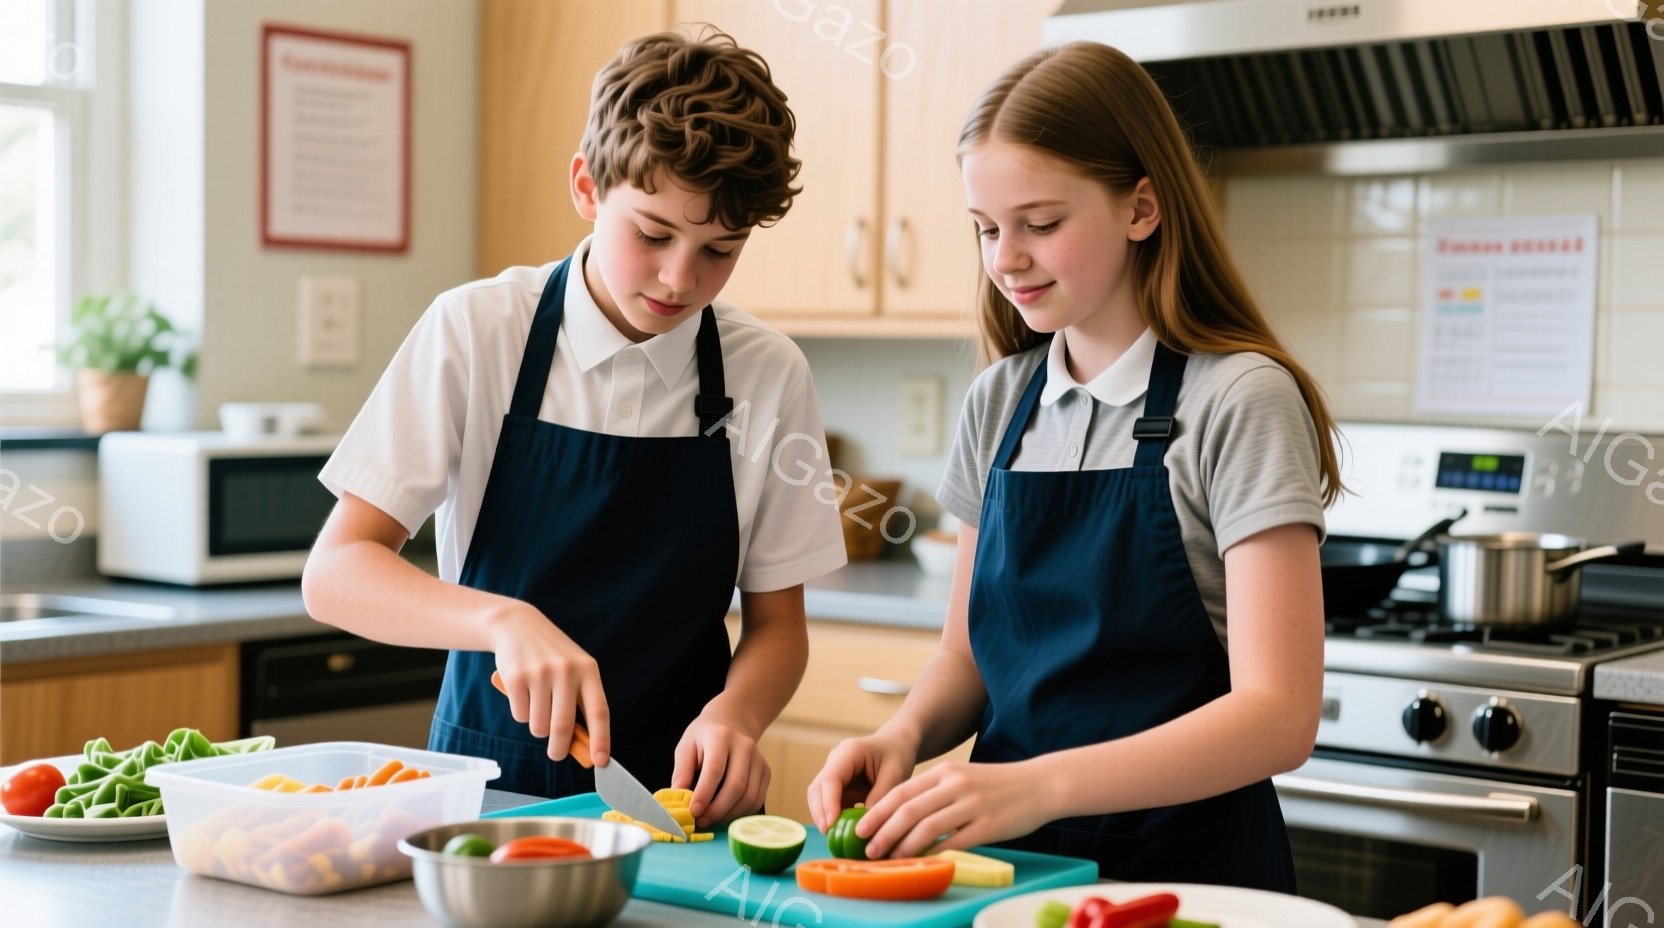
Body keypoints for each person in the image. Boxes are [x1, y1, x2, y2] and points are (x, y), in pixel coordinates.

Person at [806, 41, 1342, 891]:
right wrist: (900, 738)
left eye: (1041, 224)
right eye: (986, 229)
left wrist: (1037, 785)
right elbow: (968, 659)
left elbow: (1279, 718)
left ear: (1142, 207)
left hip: (1185, 880)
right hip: (1005, 871)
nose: (1005, 258)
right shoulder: (999, 401)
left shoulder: (1238, 400)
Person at [303, 29, 847, 827]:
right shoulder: (477, 331)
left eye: (720, 250)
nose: (680, 278)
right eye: (654, 234)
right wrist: (501, 618)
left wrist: (739, 716)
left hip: (679, 807)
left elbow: (778, 626)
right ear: (588, 188)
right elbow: (337, 571)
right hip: (490, 788)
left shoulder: (767, 372)